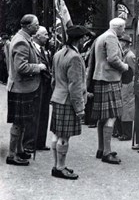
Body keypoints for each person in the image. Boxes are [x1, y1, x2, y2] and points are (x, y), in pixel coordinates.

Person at [6, 14, 46, 166]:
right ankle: (12, 154)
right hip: (21, 88)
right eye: (36, 24)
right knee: (18, 122)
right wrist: (39, 67)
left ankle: (19, 149)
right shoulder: (21, 41)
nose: (38, 26)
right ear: (28, 26)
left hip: (23, 87)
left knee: (22, 122)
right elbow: (21, 67)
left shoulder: (24, 38)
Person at [50, 25, 89, 180]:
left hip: (58, 97)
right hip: (68, 100)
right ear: (79, 39)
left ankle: (56, 166)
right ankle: (60, 167)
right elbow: (75, 85)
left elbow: (54, 79)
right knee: (64, 136)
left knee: (56, 134)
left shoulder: (58, 53)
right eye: (84, 37)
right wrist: (80, 108)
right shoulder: (75, 57)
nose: (86, 40)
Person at [90, 17, 129, 165]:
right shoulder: (111, 37)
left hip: (101, 78)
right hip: (110, 79)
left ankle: (101, 149)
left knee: (102, 116)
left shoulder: (102, 36)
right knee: (111, 116)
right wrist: (124, 67)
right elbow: (113, 59)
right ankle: (107, 152)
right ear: (118, 28)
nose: (124, 30)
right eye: (123, 28)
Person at [23, 26, 52, 153]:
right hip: (34, 84)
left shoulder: (45, 50)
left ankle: (40, 141)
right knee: (33, 114)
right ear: (37, 36)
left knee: (44, 113)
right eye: (45, 35)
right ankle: (29, 143)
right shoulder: (31, 48)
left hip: (45, 85)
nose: (47, 37)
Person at [114, 34, 136, 141]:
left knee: (127, 108)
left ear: (125, 43)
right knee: (121, 107)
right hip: (122, 82)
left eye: (121, 42)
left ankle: (127, 133)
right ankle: (120, 131)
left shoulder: (130, 56)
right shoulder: (123, 54)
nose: (120, 43)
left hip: (128, 83)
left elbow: (134, 71)